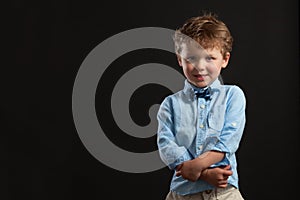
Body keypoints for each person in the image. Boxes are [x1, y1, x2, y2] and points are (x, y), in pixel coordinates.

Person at [156, 12, 246, 200]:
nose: (200, 66)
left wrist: (197, 166)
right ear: (180, 60)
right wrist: (204, 174)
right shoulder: (170, 104)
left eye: (209, 58)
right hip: (182, 193)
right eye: (191, 58)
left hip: (223, 193)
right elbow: (166, 146)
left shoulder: (233, 96)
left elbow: (228, 141)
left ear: (225, 60)